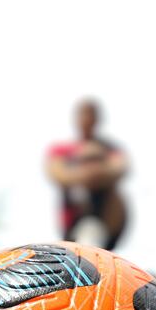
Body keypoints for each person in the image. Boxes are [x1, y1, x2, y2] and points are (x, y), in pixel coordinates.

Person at [45, 99, 129, 249]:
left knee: (92, 231)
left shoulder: (110, 148)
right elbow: (57, 173)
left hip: (106, 221)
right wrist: (86, 173)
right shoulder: (61, 150)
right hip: (73, 222)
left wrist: (95, 170)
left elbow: (120, 168)